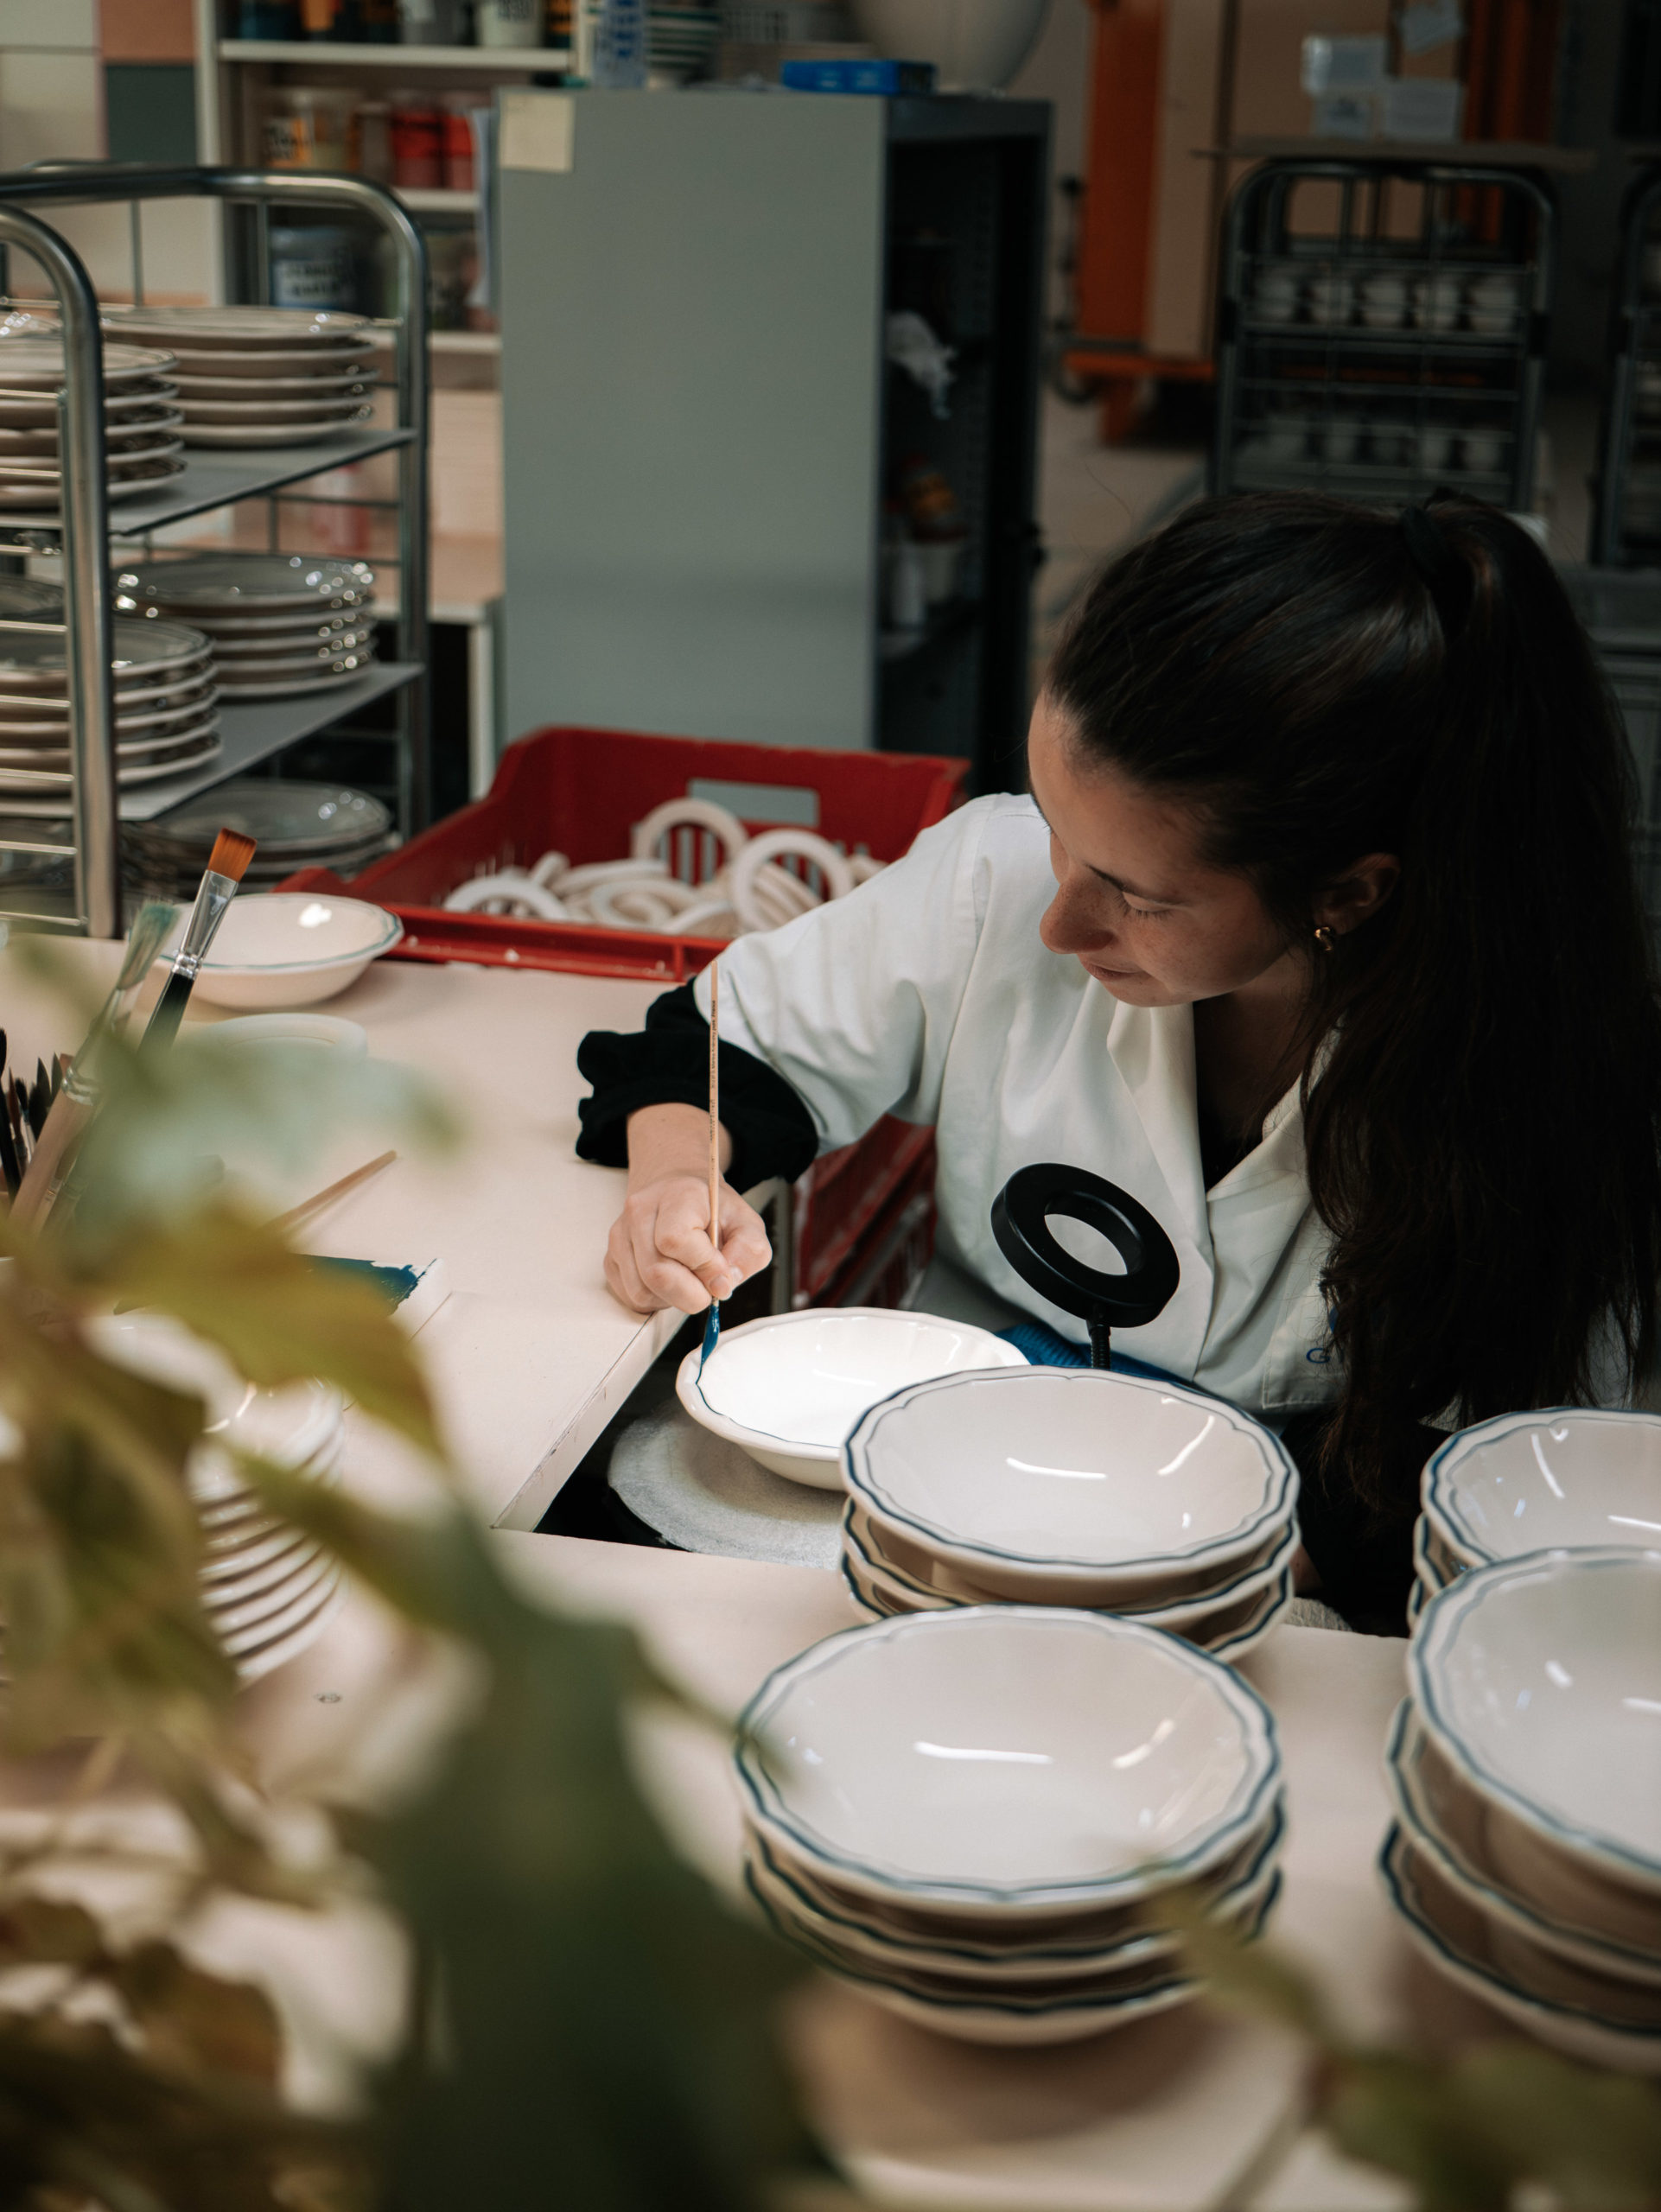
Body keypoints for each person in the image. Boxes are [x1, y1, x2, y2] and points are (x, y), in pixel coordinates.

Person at [575, 492, 1661, 1630]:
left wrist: (1119, 1553)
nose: (1058, 923)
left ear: (1347, 893)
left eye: (1138, 897)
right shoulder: (993, 881)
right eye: (1057, 828)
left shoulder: (1539, 1092)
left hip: (1279, 1578)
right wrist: (678, 1183)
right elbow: (712, 1048)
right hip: (965, 1463)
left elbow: (1485, 1494)